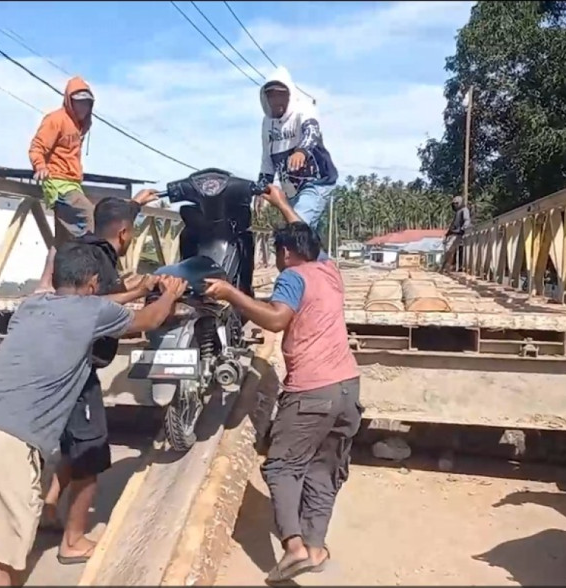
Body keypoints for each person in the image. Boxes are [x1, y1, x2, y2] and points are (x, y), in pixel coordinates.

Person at [0, 242, 186, 586]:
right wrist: (168, 294)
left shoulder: (32, 305)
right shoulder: (95, 312)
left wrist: (133, 289)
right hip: (2, 445)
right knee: (1, 564)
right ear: (93, 284)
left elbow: (72, 297)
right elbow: (150, 319)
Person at [204, 184, 360, 584]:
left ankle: (292, 549)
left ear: (286, 254)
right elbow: (306, 236)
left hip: (312, 391)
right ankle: (316, 547)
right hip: (347, 388)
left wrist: (229, 293)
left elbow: (275, 320)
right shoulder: (329, 270)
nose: (276, 260)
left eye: (277, 252)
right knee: (324, 470)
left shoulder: (292, 276)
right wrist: (283, 205)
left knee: (282, 467)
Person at [35, 190, 161, 565]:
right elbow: (113, 314)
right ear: (123, 235)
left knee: (70, 445)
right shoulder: (103, 264)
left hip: (55, 368)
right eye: (131, 232)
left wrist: (135, 204)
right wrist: (161, 299)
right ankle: (73, 540)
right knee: (91, 453)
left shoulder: (80, 250)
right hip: (79, 371)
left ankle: (48, 506)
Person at [257, 66, 338, 232]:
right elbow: (267, 161)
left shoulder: (303, 109)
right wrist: (261, 190)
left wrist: (301, 151)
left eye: (280, 94)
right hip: (291, 191)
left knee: (296, 231)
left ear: (290, 95)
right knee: (305, 240)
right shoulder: (267, 123)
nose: (275, 100)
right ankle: (321, 259)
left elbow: (312, 130)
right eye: (270, 95)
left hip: (316, 183)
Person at [29, 76, 97, 245]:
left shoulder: (78, 126)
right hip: (58, 183)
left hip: (72, 183)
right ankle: (94, 267)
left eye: (87, 103)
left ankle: (53, 272)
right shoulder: (56, 119)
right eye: (79, 102)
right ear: (69, 100)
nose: (83, 107)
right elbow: (37, 146)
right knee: (90, 216)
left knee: (62, 243)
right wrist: (40, 166)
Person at [441, 196, 471, 272]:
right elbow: (453, 224)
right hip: (453, 233)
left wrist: (463, 228)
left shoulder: (464, 210)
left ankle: (448, 266)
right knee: (449, 250)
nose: (455, 205)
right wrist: (447, 234)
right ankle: (447, 267)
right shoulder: (458, 211)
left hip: (458, 234)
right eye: (454, 204)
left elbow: (467, 220)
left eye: (456, 203)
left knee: (449, 250)